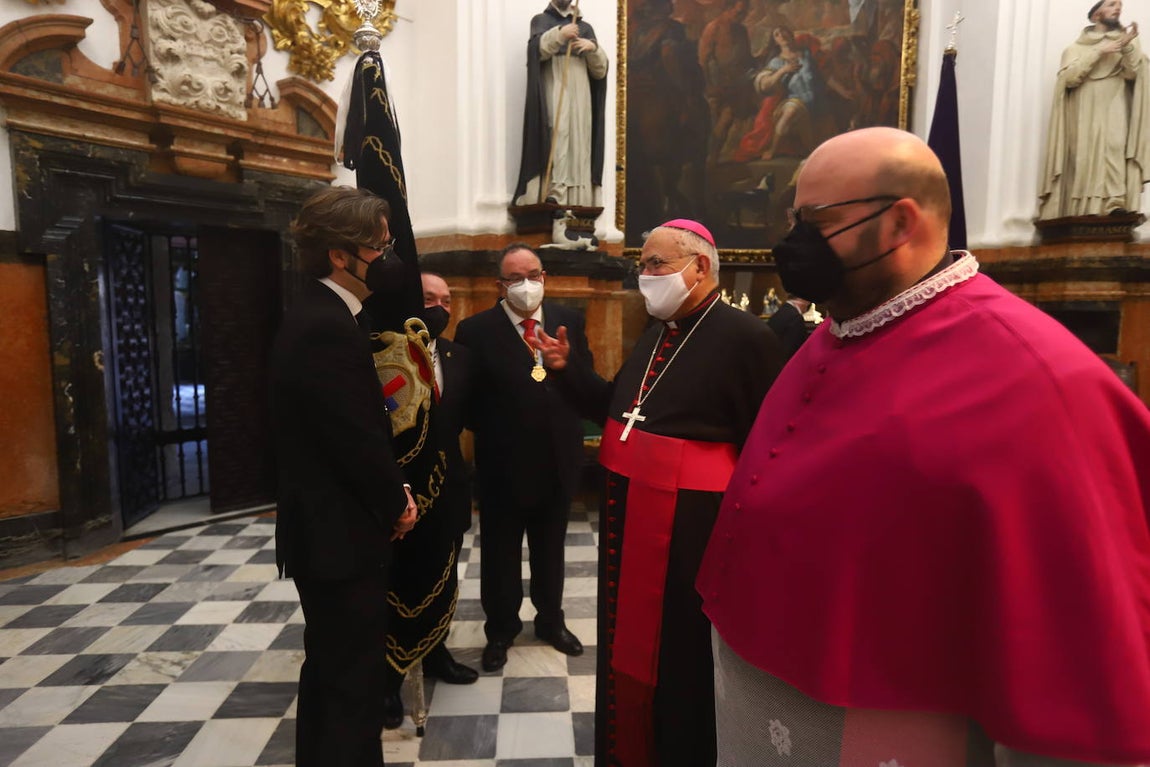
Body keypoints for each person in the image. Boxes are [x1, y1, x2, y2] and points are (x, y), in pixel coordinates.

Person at [698, 127, 1150, 766]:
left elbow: (1075, 622)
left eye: (814, 222)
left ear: (900, 223)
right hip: (777, 689)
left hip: (888, 713)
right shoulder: (844, 330)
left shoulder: (1037, 374)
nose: (793, 242)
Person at [532, 220, 785, 766]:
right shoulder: (658, 331)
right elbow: (618, 409)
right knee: (629, 650)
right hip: (631, 524)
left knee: (679, 663)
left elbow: (768, 451)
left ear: (700, 267)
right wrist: (566, 370)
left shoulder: (747, 338)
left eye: (655, 264)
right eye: (641, 264)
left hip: (692, 535)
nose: (644, 275)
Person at [270, 186, 417, 767]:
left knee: (335, 672)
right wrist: (395, 501)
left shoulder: (331, 313)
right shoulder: (324, 325)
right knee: (349, 683)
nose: (389, 257)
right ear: (339, 254)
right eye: (379, 247)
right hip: (338, 534)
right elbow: (351, 437)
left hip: (335, 528)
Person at [453, 244, 589, 673]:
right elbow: (467, 402)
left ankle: (551, 622)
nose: (525, 284)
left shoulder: (569, 320)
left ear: (544, 277)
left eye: (533, 275)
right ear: (500, 285)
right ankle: (501, 630)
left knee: (551, 550)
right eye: (515, 278)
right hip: (503, 465)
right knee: (500, 554)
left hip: (557, 460)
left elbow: (583, 383)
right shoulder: (475, 330)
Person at [378, 273, 480, 727]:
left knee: (444, 572)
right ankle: (387, 677)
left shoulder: (461, 357)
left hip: (447, 486)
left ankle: (436, 652)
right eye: (428, 298)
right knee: (396, 580)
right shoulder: (384, 353)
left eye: (447, 300)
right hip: (397, 487)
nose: (440, 307)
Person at [1038, 0, 1150, 219]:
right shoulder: (1075, 48)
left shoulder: (1126, 43)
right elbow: (1069, 79)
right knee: (1084, 154)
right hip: (1084, 105)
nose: (1117, 8)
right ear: (1096, 14)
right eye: (1111, 4)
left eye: (1119, 5)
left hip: (1115, 101)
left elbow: (1133, 73)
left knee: (1115, 147)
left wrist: (1127, 45)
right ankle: (1081, 207)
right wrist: (1099, 51)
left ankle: (1114, 203)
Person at [513, 0, 609, 207]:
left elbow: (600, 71)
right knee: (558, 131)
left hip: (580, 90)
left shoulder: (585, 27)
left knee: (579, 137)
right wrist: (559, 34)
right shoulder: (541, 20)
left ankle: (579, 198)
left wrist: (593, 49)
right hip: (555, 81)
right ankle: (555, 191)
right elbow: (537, 51)